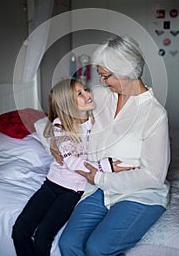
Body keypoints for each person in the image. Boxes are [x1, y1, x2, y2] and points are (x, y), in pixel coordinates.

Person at [59, 35, 170, 256]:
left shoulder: (154, 114)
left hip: (139, 194)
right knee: (68, 244)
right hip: (99, 190)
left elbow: (153, 176)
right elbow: (66, 119)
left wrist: (99, 178)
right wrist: (59, 143)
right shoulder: (100, 96)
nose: (100, 81)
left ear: (125, 71)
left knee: (98, 247)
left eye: (105, 75)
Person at [11, 78, 128, 256]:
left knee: (43, 235)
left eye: (85, 90)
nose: (88, 95)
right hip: (52, 184)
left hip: (74, 191)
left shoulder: (96, 123)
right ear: (67, 105)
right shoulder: (60, 124)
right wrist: (106, 166)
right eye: (79, 94)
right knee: (19, 230)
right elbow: (71, 161)